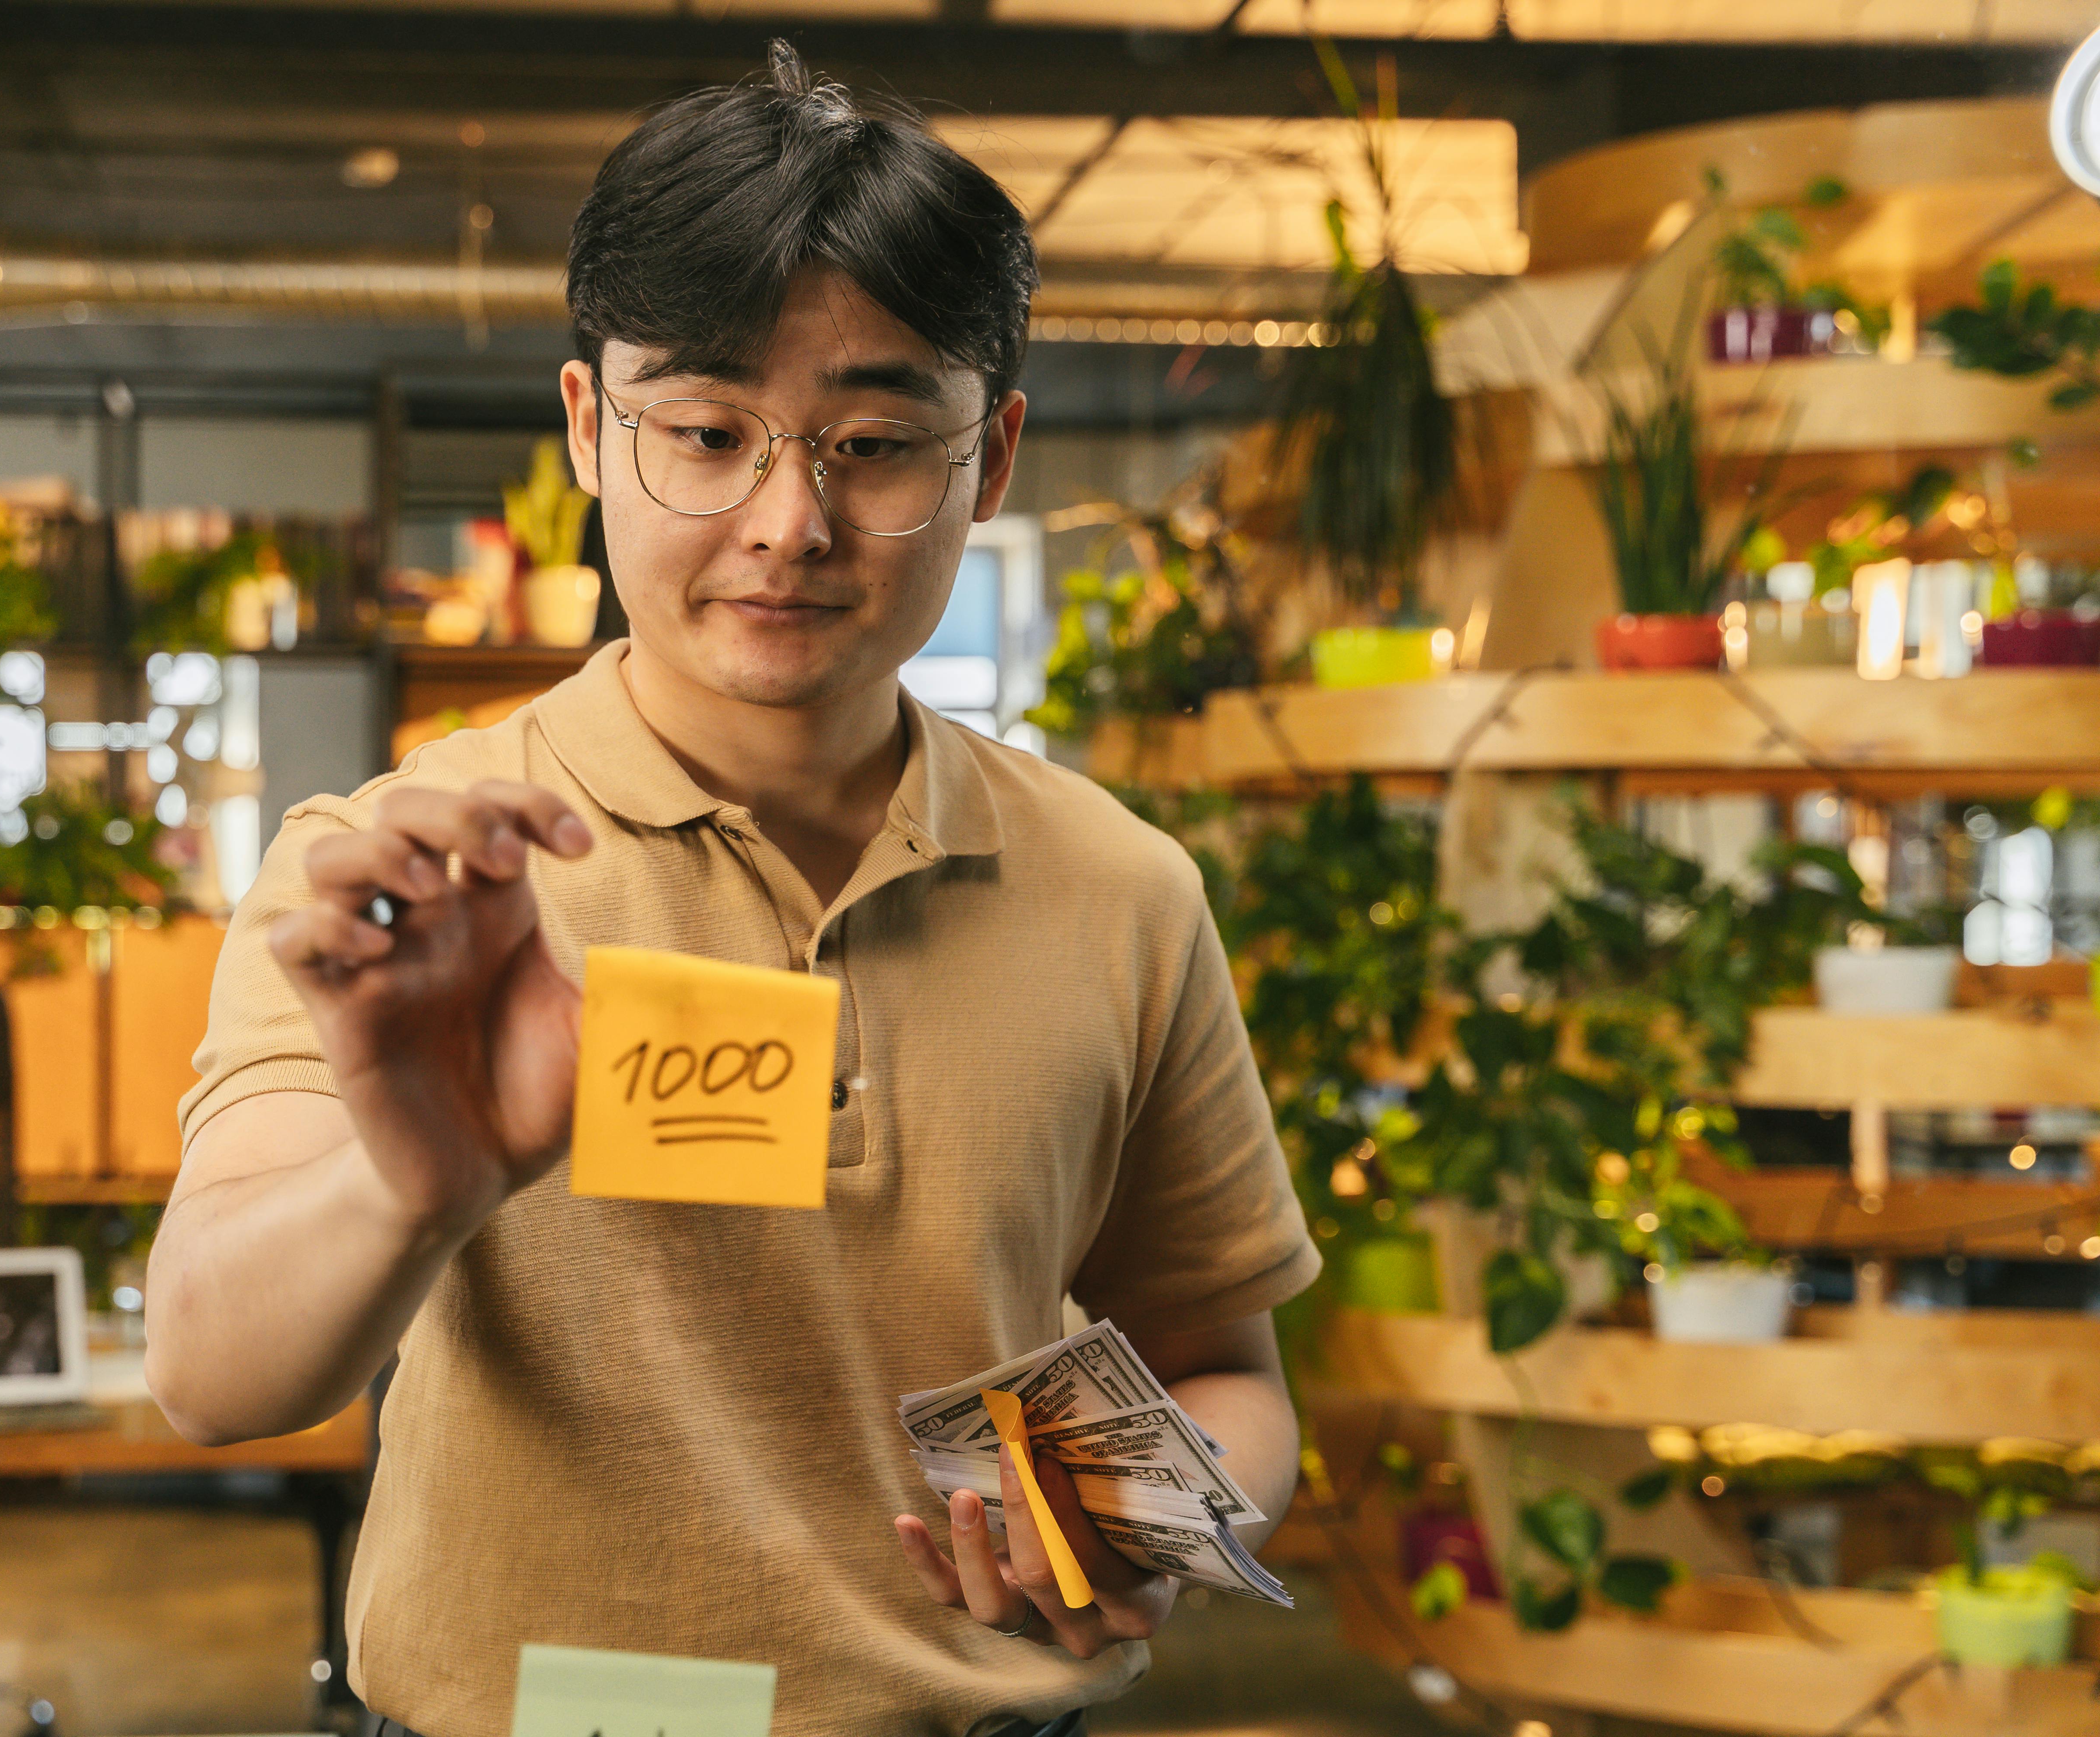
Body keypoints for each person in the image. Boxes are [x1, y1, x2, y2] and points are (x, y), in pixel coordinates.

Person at [146, 43, 1318, 1737]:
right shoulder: (407, 872)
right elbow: (207, 1371)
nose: (789, 518)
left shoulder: (1120, 891)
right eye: (705, 431)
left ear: (988, 463)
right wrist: (421, 1178)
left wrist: (1141, 1529)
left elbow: (1221, 1367)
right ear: (586, 432)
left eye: (874, 442)